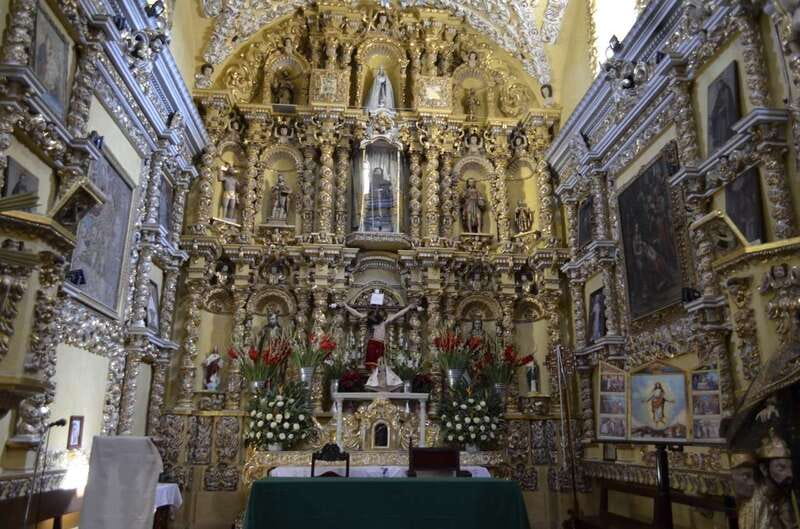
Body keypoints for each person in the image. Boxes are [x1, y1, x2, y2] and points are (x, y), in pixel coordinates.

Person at [738, 429, 797, 529]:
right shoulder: (755, 504)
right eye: (781, 468)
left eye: (790, 467)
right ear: (764, 469)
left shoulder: (784, 494)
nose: (790, 474)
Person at [334, 300, 417, 367]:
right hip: (373, 344)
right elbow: (356, 313)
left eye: (378, 313)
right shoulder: (371, 322)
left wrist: (408, 308)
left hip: (381, 344)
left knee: (381, 366)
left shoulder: (384, 323)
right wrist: (346, 306)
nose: (376, 315)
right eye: (374, 314)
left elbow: (397, 315)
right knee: (372, 366)